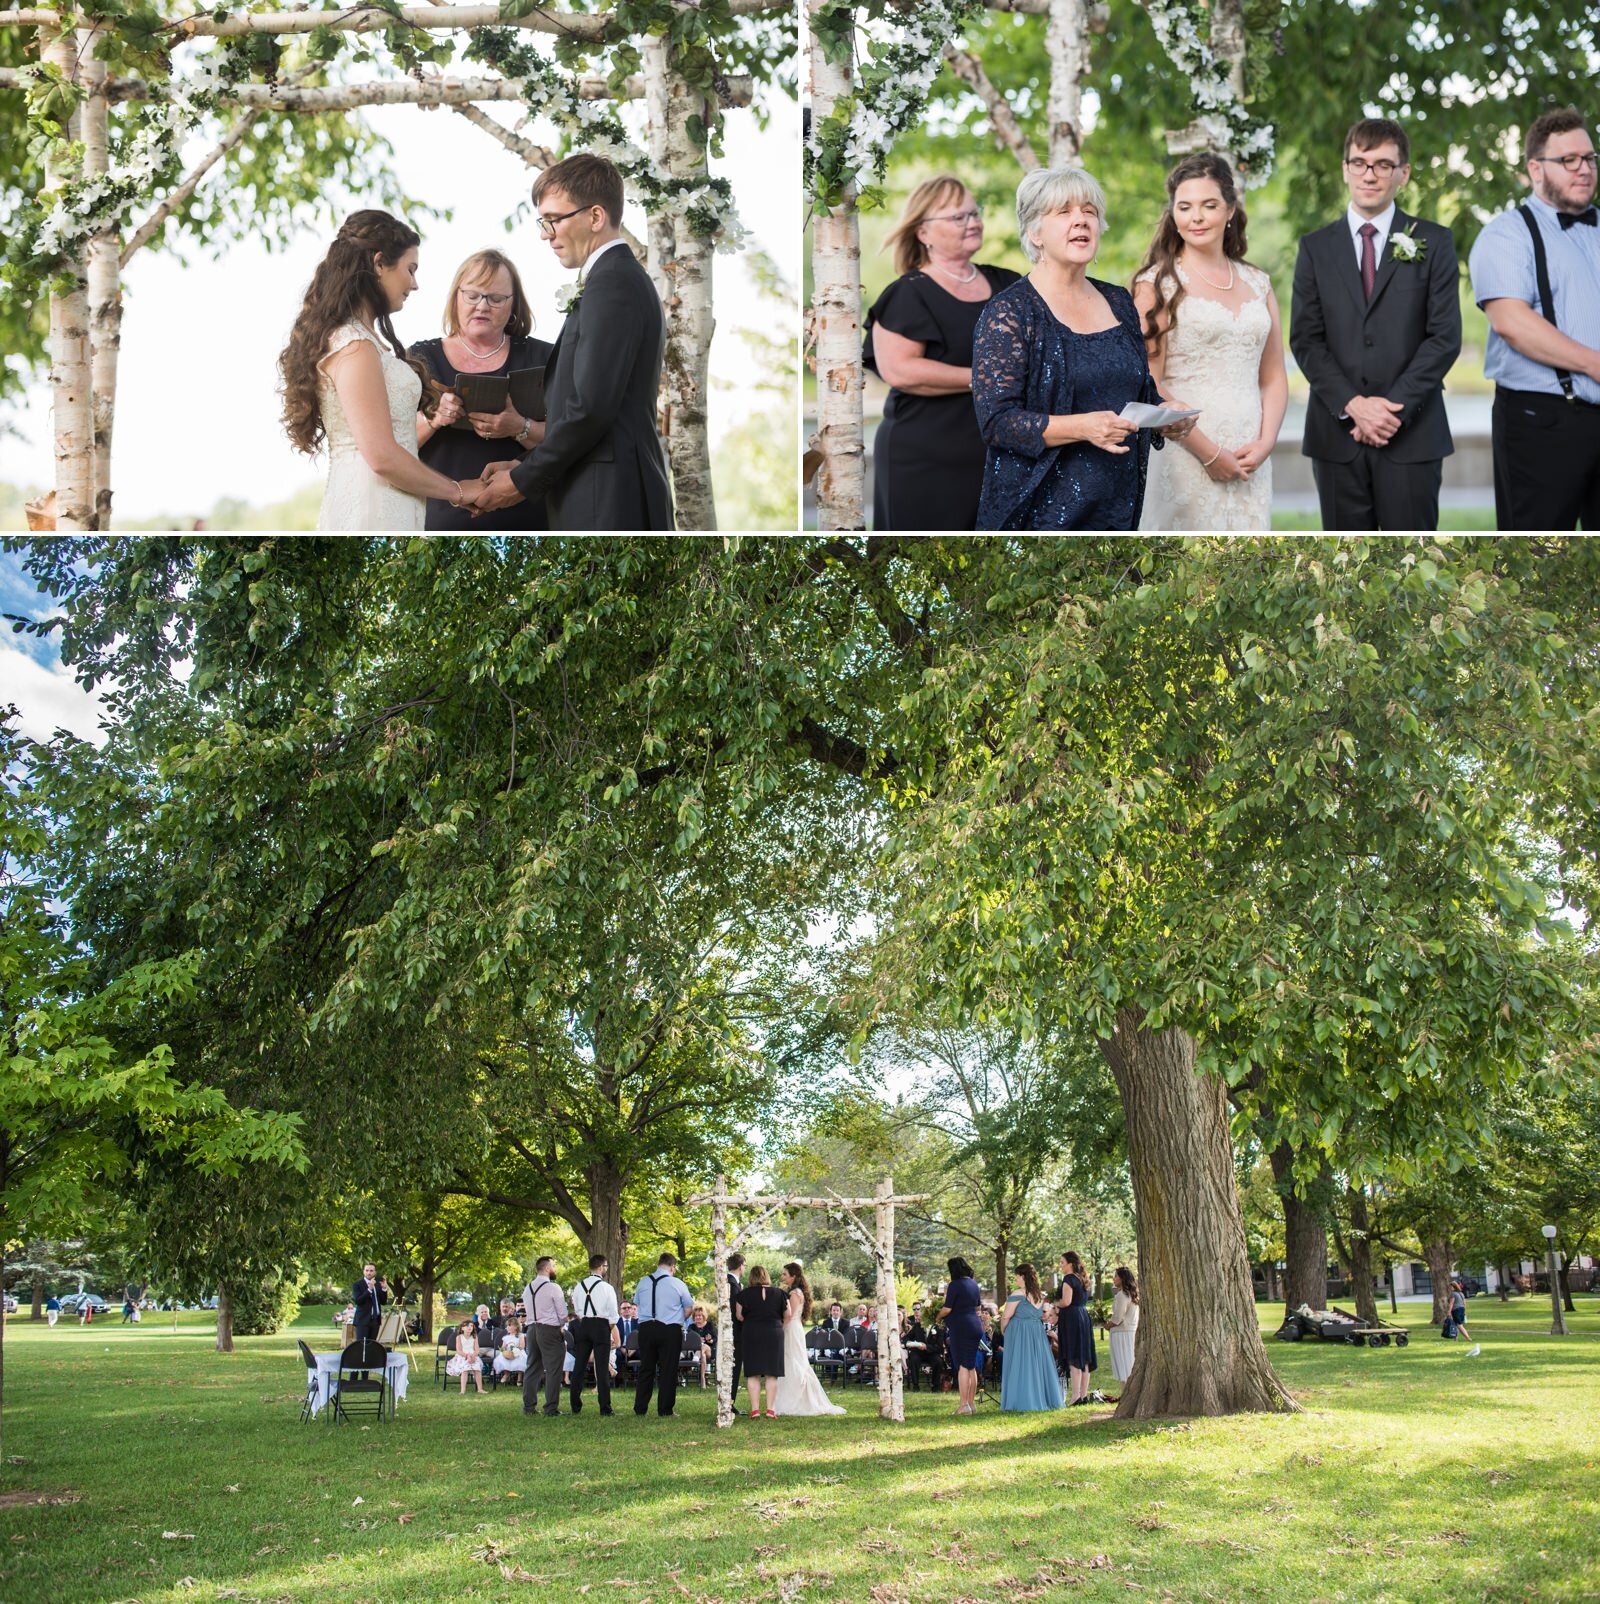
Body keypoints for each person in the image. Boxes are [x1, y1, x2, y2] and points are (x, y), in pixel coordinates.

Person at [973, 166, 1188, 530]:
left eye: (1089, 211)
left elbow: (1139, 390)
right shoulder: (1011, 311)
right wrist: (1082, 427)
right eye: (1064, 212)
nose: (1081, 221)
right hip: (1040, 508)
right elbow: (997, 423)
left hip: (1116, 505)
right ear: (1034, 232)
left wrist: (1166, 414)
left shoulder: (1119, 301)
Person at [476, 155, 674, 529]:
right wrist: (524, 465)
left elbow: (590, 409)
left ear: (595, 217)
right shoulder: (611, 278)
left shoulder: (613, 282)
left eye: (553, 219)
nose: (544, 234)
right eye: (543, 221)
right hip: (599, 489)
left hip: (609, 499)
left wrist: (521, 481)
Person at [1289, 117, 1461, 530]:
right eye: (1360, 162)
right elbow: (1306, 340)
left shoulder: (1435, 243)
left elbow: (1444, 338)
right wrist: (1354, 406)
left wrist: (1389, 410)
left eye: (1383, 164)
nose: (1370, 174)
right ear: (1345, 169)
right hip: (1336, 436)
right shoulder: (1315, 248)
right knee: (1342, 563)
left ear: (1403, 173)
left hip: (1412, 434)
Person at [278, 210, 487, 529]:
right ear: (379, 263)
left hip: (392, 501)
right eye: (410, 269)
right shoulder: (354, 346)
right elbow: (381, 456)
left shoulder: (363, 342)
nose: (415, 284)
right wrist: (457, 491)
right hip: (370, 505)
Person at [1134, 153, 1286, 530]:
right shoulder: (1157, 285)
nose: (1196, 217)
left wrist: (1266, 443)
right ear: (1173, 214)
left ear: (1230, 209)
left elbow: (1273, 377)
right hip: (1184, 454)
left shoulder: (1258, 283)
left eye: (1209, 205)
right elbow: (1146, 382)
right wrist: (1208, 453)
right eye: (1184, 207)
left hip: (1251, 458)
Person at [863, 175, 1023, 530]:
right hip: (923, 461)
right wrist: (988, 380)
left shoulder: (1009, 285)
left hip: (999, 457)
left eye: (974, 213)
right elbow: (900, 371)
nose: (974, 222)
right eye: (958, 217)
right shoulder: (908, 293)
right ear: (923, 232)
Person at [1468, 106, 1600, 530]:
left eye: (1590, 158)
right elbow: (1512, 323)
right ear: (1535, 169)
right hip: (1542, 422)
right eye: (1569, 161)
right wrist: (1595, 364)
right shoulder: (1505, 235)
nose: (1584, 170)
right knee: (1537, 544)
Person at [412, 249, 553, 530]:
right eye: (473, 295)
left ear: (513, 304)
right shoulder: (420, 359)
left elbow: (572, 438)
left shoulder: (544, 357)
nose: (482, 306)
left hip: (529, 518)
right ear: (456, 297)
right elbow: (391, 447)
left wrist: (519, 427)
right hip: (443, 519)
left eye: (496, 298)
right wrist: (434, 419)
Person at [768, 1263, 845, 1417]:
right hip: (793, 1329)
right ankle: (787, 1397)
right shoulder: (793, 1292)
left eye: (784, 1274)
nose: (782, 1277)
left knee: (794, 1363)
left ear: (793, 1276)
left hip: (791, 1330)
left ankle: (797, 1400)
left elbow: (789, 1316)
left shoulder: (795, 1293)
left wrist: (778, 1330)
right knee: (789, 1362)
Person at [633, 1251, 695, 1417]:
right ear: (672, 1267)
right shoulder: (678, 1283)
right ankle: (665, 1409)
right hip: (669, 1329)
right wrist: (679, 1319)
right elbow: (688, 1308)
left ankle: (640, 1408)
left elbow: (637, 1304)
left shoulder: (643, 1281)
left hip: (646, 1328)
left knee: (646, 1368)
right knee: (668, 1369)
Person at [998, 1263, 1062, 1412]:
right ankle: (1040, 1398)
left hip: (1019, 1332)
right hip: (1036, 1332)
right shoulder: (1039, 1294)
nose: (1016, 1279)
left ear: (1023, 1276)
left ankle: (1020, 1400)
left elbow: (1006, 1316)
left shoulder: (1017, 1294)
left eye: (1017, 1276)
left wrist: (1003, 1330)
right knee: (1035, 1365)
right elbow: (1041, 1315)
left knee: (1019, 1365)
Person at [568, 1252, 619, 1416]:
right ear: (600, 1267)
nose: (606, 1269)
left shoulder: (579, 1286)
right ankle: (605, 1408)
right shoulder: (606, 1287)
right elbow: (613, 1313)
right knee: (602, 1367)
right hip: (601, 1325)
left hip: (584, 1325)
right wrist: (609, 1327)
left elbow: (576, 1309)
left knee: (579, 1366)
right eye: (606, 1266)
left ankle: (575, 1405)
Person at [734, 1265, 786, 1418]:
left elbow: (739, 1316)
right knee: (772, 1374)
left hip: (752, 1333)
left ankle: (755, 1410)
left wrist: (752, 1319)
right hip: (774, 1332)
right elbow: (788, 1314)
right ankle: (770, 1410)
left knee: (753, 1373)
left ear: (751, 1277)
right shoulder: (780, 1293)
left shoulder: (743, 1295)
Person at [521, 1256, 569, 1418]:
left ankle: (529, 1406)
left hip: (531, 1329)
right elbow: (562, 1314)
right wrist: (563, 1323)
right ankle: (551, 1408)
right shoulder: (553, 1288)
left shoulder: (528, 1288)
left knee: (532, 1367)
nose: (555, 1268)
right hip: (549, 1330)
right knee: (554, 1369)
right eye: (554, 1265)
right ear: (548, 1268)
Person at [938, 1256, 985, 1417]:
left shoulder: (955, 1285)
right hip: (975, 1325)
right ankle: (971, 1404)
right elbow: (978, 1306)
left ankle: (963, 1404)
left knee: (962, 1366)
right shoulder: (974, 1284)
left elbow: (947, 1308)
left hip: (961, 1326)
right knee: (971, 1365)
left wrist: (937, 1317)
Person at [1055, 1251, 1096, 1405]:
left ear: (1070, 1264)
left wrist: (1054, 1303)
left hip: (1072, 1318)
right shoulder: (1082, 1279)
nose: (1061, 1266)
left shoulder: (1069, 1279)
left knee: (1074, 1356)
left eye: (1062, 1262)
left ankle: (1075, 1397)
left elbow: (1066, 1301)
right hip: (1083, 1316)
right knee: (1083, 1357)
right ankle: (1083, 1395)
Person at [1107, 1265, 1139, 1388]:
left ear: (1121, 1278)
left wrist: (1107, 1325)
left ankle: (1125, 1394)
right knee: (1128, 1365)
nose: (1113, 1279)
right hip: (1130, 1333)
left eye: (1115, 1276)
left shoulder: (1122, 1295)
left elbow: (1118, 1318)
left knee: (1124, 1368)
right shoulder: (1132, 1294)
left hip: (1122, 1335)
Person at [447, 1316, 484, 1394]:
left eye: (471, 1326)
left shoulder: (474, 1337)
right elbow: (459, 1350)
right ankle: (462, 1390)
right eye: (467, 1326)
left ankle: (480, 1389)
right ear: (462, 1328)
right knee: (465, 1370)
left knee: (477, 1369)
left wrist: (473, 1356)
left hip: (473, 1356)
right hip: (462, 1356)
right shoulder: (459, 1337)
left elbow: (477, 1350)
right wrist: (467, 1356)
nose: (469, 1327)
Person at [351, 1263, 387, 1343]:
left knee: (372, 1345)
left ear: (375, 1272)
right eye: (367, 1270)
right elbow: (358, 1301)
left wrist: (384, 1289)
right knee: (362, 1346)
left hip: (375, 1320)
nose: (369, 1273)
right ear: (363, 1271)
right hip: (362, 1320)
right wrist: (369, 1290)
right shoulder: (357, 1285)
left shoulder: (378, 1284)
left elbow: (383, 1302)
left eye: (371, 1271)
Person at [726, 1252, 745, 1398]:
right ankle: (729, 1402)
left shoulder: (732, 1283)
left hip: (732, 1332)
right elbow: (735, 1310)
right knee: (733, 1368)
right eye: (744, 1265)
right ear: (740, 1266)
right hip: (734, 1332)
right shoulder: (732, 1285)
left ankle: (730, 1401)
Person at [493, 1315, 529, 1383]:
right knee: (503, 1359)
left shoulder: (520, 1336)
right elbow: (503, 1347)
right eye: (507, 1326)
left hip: (518, 1352)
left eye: (509, 1325)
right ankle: (506, 1374)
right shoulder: (506, 1337)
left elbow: (522, 1346)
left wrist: (516, 1349)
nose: (507, 1327)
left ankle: (519, 1376)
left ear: (516, 1327)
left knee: (520, 1361)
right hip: (508, 1353)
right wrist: (503, 1349)